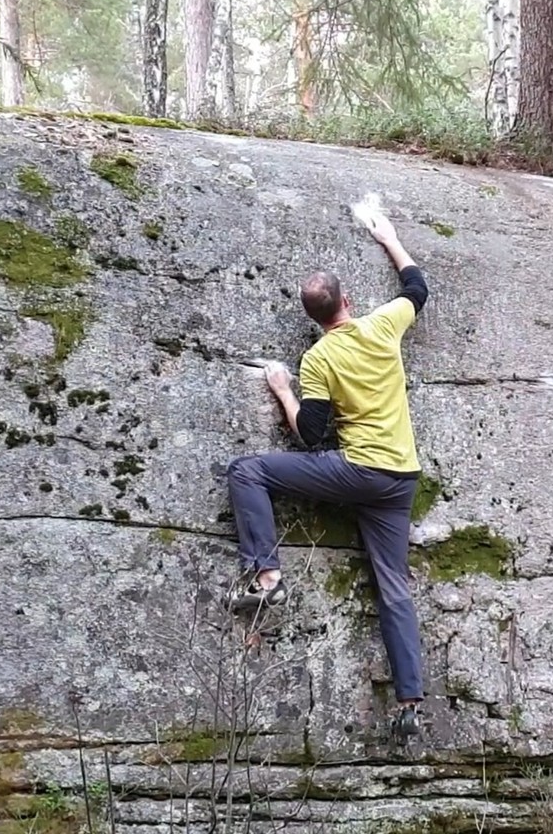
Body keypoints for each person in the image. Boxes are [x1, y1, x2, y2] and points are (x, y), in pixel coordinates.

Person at [224, 208, 429, 739]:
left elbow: (311, 436)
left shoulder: (317, 360)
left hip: (357, 471)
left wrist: (282, 390)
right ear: (347, 302)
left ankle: (267, 576)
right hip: (401, 477)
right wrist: (390, 239)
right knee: (393, 586)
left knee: (246, 471)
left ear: (313, 318)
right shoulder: (383, 324)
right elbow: (417, 288)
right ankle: (410, 702)